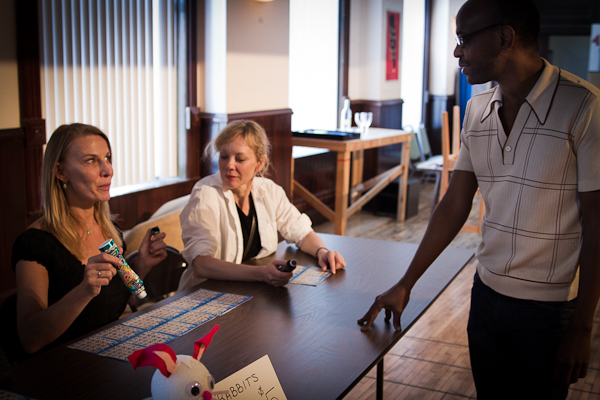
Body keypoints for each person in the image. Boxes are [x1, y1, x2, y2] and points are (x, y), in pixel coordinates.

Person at [358, 0, 600, 398]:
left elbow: (597, 223)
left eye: (464, 40)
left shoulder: (582, 106)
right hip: (485, 295)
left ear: (505, 37)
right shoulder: (477, 109)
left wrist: (582, 327)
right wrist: (407, 282)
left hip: (549, 309)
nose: (457, 52)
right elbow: (455, 203)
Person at [0, 123, 167, 364]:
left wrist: (141, 264)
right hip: (51, 370)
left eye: (107, 158)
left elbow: (110, 305)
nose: (107, 170)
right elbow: (30, 339)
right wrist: (84, 291)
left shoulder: (112, 232)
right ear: (60, 172)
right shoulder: (35, 244)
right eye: (91, 160)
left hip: (101, 360)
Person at [178, 120, 345, 290]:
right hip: (204, 294)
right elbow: (201, 264)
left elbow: (301, 231)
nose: (229, 165)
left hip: (247, 291)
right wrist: (260, 273)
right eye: (224, 156)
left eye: (240, 159)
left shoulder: (269, 190)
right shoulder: (205, 194)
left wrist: (322, 252)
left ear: (259, 163)